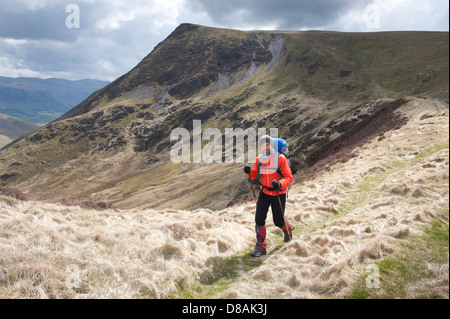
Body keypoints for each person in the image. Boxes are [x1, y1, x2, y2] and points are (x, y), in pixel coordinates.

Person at [244, 135, 294, 257]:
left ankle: (288, 229)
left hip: (278, 193)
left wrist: (279, 184)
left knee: (278, 220)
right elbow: (253, 176)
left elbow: (289, 177)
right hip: (264, 193)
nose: (265, 147)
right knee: (259, 219)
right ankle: (260, 248)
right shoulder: (259, 159)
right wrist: (248, 172)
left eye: (267, 144)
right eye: (262, 145)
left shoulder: (281, 158)